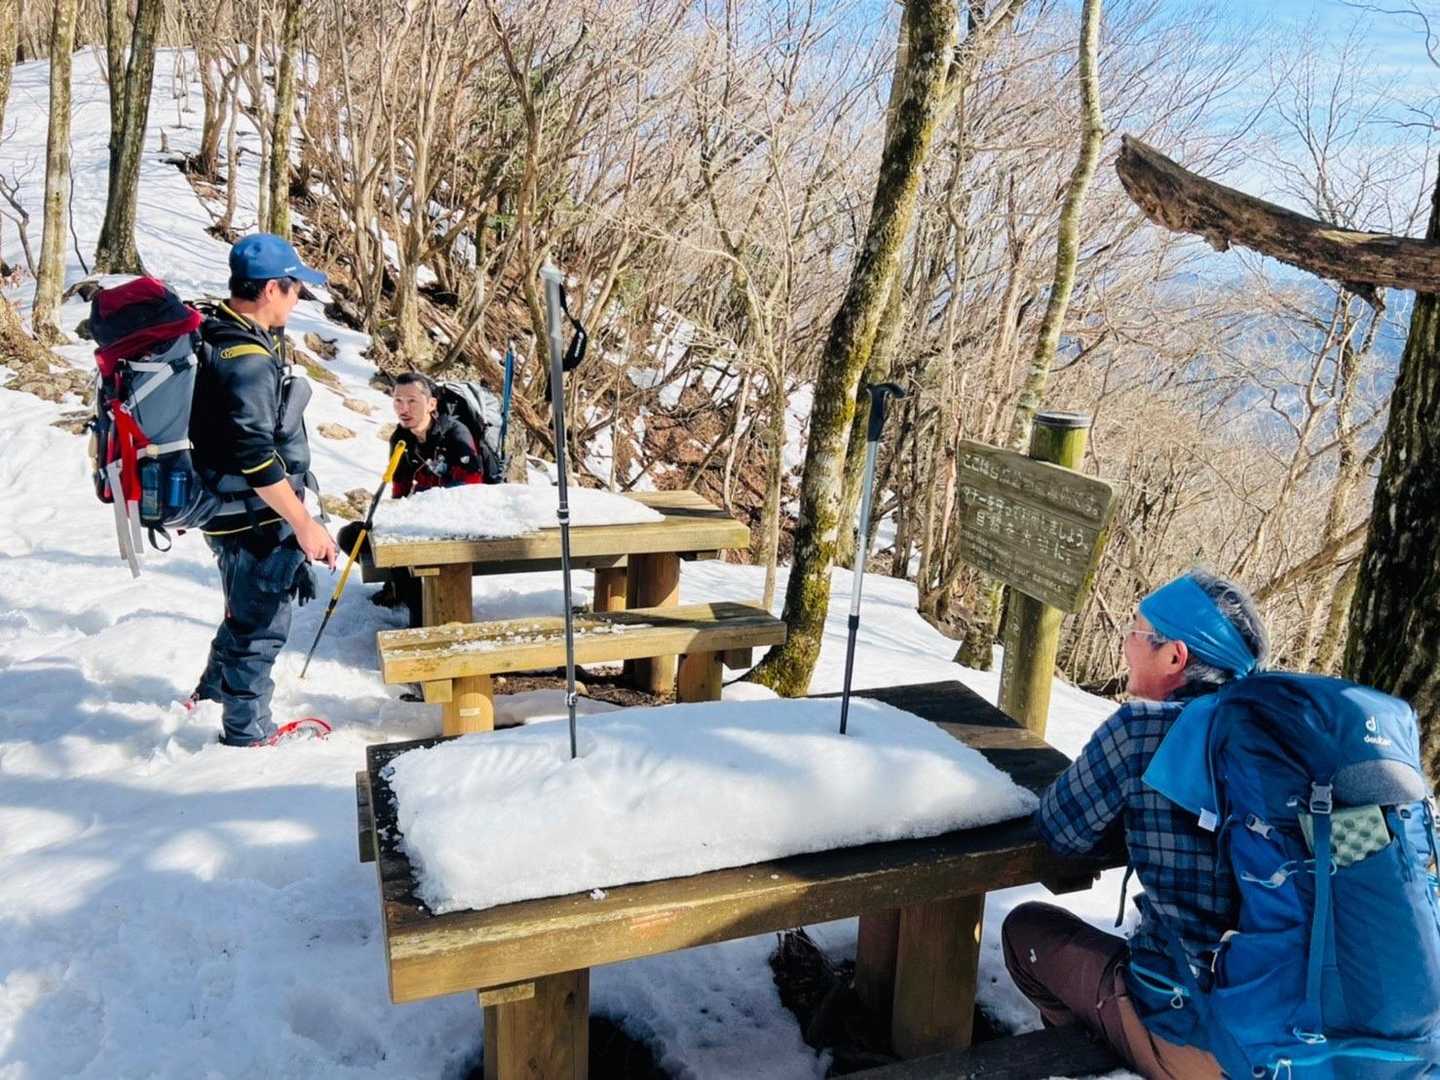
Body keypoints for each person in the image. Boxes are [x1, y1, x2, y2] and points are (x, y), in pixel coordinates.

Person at [1001, 569, 1270, 1080]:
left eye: (1137, 633)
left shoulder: (1143, 731)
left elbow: (1060, 831)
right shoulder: (1287, 741)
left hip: (1210, 1040)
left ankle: (1103, 1063)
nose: (1126, 644)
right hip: (1307, 1030)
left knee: (1025, 930)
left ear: (1175, 657)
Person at [186, 233, 338, 747]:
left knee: (243, 608)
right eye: (295, 289)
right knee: (261, 626)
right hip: (252, 514)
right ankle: (247, 732)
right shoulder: (246, 359)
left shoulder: (216, 332)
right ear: (272, 288)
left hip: (228, 507)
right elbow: (254, 456)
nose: (297, 301)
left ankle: (209, 694)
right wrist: (304, 523)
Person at [338, 372, 488, 627]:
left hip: (453, 524)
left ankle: (421, 620)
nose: (403, 409)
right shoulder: (401, 439)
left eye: (412, 401)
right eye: (398, 401)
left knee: (407, 561)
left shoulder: (456, 434)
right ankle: (400, 588)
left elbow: (471, 490)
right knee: (351, 536)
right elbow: (399, 490)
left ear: (431, 404)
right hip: (414, 522)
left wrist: (426, 508)